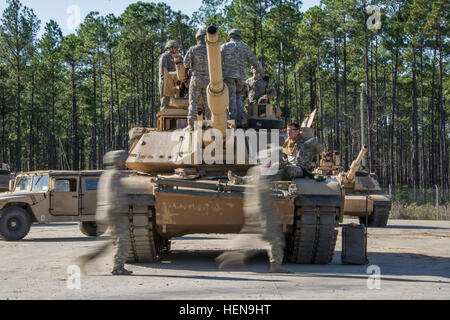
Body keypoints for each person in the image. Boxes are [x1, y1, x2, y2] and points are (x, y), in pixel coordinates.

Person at [217, 149, 291, 273]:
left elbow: (249, 180)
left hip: (252, 208)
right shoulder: (270, 172)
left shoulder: (255, 170)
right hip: (264, 210)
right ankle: (275, 265)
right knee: (275, 238)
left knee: (252, 237)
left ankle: (230, 255)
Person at [78, 150, 133, 276]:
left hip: (104, 210)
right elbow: (117, 195)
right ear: (118, 161)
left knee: (108, 240)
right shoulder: (116, 175)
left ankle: (87, 259)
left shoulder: (107, 174)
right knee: (122, 239)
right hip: (115, 211)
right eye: (123, 160)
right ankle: (118, 267)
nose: (125, 162)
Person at [221, 29, 264, 126]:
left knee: (231, 98)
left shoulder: (224, 47)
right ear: (239, 37)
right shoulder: (245, 47)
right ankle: (240, 121)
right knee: (239, 98)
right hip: (241, 77)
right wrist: (262, 72)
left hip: (228, 76)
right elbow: (254, 62)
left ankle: (233, 122)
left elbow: (216, 62)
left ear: (230, 36)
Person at [184, 29, 211, 130]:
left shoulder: (193, 49)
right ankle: (209, 123)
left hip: (196, 79)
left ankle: (191, 125)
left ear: (197, 38)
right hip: (208, 79)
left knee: (193, 102)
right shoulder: (211, 49)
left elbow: (185, 63)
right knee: (208, 103)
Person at [159, 40, 179, 110]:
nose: (177, 49)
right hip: (166, 82)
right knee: (165, 101)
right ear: (170, 48)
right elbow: (163, 71)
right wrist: (165, 81)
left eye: (177, 47)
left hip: (174, 83)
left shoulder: (176, 57)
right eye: (175, 47)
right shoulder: (165, 56)